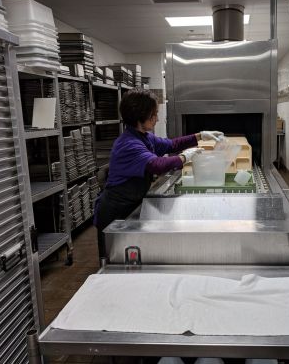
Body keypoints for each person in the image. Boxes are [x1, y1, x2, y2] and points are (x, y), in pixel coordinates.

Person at [94, 88, 223, 258]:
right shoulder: (128, 144)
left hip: (130, 205)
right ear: (141, 116)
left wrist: (199, 136)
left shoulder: (144, 137)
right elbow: (156, 165)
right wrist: (185, 157)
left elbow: (171, 144)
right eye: (154, 114)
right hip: (114, 214)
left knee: (130, 259)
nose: (157, 118)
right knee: (113, 262)